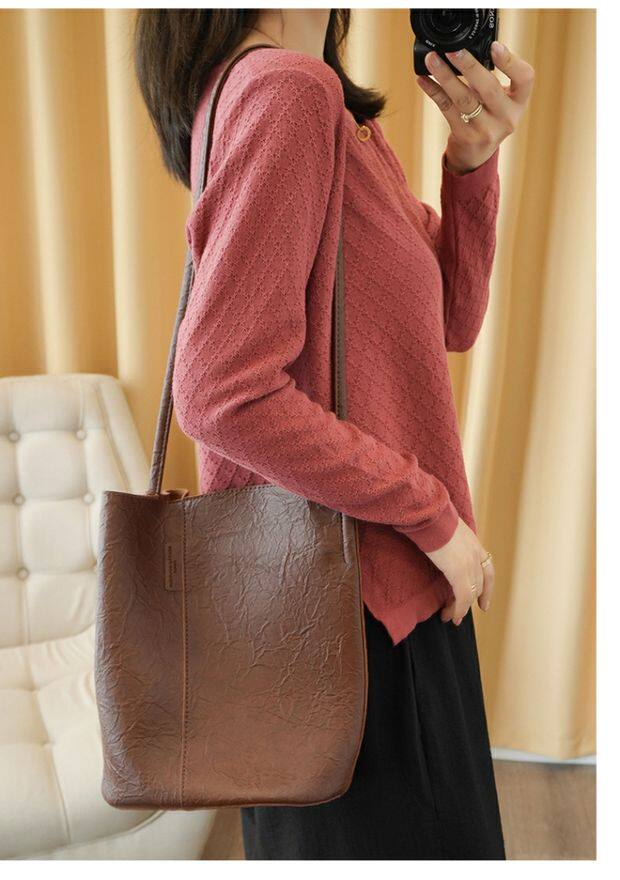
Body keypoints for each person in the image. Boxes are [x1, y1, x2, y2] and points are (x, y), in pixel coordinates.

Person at [135, 8, 534, 860]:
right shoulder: (287, 91)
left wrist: (472, 164)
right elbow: (221, 390)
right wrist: (432, 514)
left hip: (340, 609)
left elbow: (451, 319)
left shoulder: (314, 108)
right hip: (361, 619)